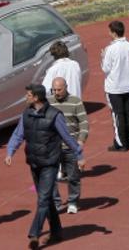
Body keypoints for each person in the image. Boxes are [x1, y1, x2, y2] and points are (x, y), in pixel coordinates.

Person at [4, 84, 85, 250]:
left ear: (36, 98)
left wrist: (79, 155)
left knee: (42, 199)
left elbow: (67, 138)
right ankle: (56, 232)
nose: (26, 97)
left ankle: (34, 234)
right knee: (46, 199)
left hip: (50, 164)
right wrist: (10, 151)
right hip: (34, 163)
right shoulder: (26, 114)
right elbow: (18, 134)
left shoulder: (55, 116)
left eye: (28, 95)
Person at [50, 76, 89, 215]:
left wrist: (81, 140)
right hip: (53, 148)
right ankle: (56, 202)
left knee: (73, 176)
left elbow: (84, 122)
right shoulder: (48, 103)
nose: (56, 92)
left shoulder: (75, 102)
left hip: (71, 147)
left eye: (59, 89)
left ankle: (73, 202)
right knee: (51, 177)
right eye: (53, 90)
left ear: (66, 88)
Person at [101, 19, 129, 151]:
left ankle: (121, 142)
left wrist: (102, 57)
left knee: (118, 114)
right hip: (128, 84)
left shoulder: (110, 49)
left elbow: (105, 68)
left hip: (114, 87)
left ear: (114, 33)